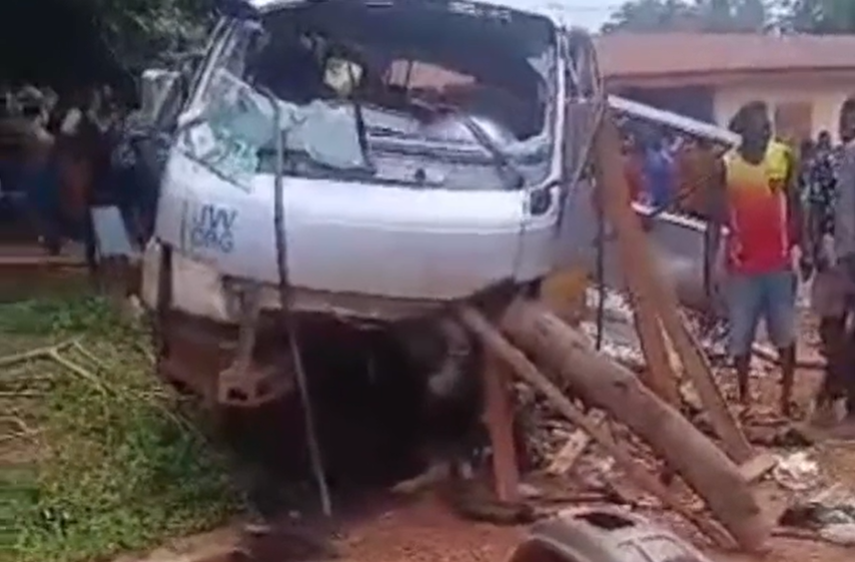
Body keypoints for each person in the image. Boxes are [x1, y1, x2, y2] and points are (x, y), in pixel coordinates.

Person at [710, 101, 804, 416]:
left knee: (785, 334)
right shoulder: (727, 165)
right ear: (744, 131)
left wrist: (798, 245)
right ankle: (744, 398)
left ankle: (785, 399)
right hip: (742, 267)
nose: (766, 134)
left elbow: (795, 204)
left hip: (778, 264)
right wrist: (714, 264)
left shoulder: (783, 157)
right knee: (741, 336)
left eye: (768, 128)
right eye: (760, 128)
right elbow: (717, 218)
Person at [810, 101, 855, 432]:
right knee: (832, 332)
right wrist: (815, 247)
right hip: (835, 256)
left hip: (842, 255)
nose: (848, 128)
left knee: (843, 336)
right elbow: (815, 207)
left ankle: (841, 398)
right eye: (846, 122)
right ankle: (833, 390)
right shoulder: (827, 163)